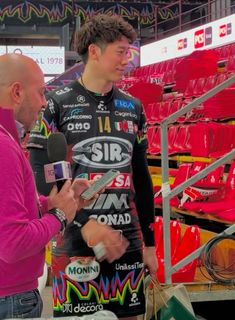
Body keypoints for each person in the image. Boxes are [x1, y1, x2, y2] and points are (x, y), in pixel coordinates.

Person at [28, 14, 158, 320]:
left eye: (130, 51)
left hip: (126, 245)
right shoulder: (55, 104)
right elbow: (39, 173)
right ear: (95, 51)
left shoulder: (134, 107)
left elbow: (142, 178)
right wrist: (86, 223)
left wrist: (150, 245)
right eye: (121, 51)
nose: (128, 59)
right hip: (74, 243)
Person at [0, 53, 100, 319]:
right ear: (17, 92)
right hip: (10, 298)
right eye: (41, 93)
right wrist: (60, 215)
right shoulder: (4, 147)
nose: (44, 102)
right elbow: (12, 243)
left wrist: (50, 204)